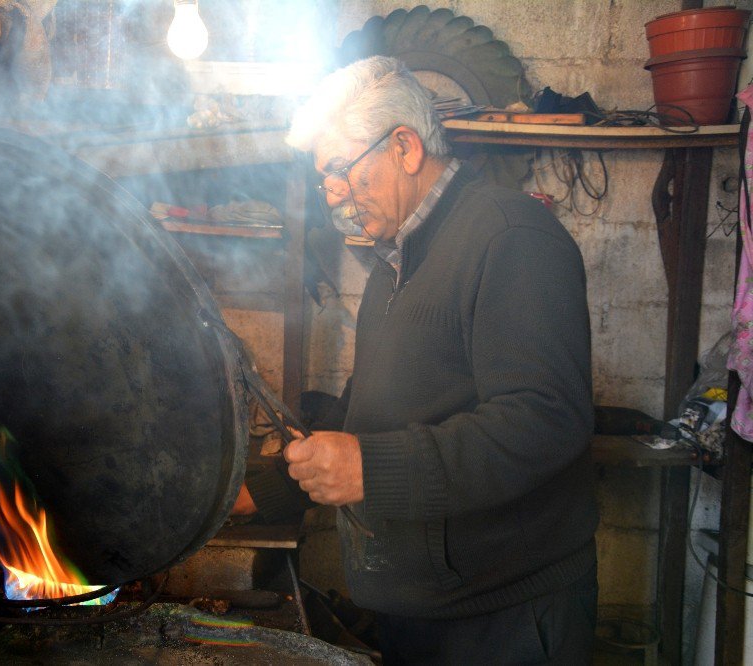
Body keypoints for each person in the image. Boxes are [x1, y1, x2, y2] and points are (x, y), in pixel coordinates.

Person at [234, 56, 599, 665]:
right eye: (328, 181)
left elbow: (546, 421)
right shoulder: (393, 266)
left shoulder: (512, 236)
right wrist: (261, 491)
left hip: (502, 621)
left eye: (343, 173)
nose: (339, 198)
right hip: (418, 607)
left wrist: (373, 471)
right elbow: (365, 413)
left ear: (404, 145)